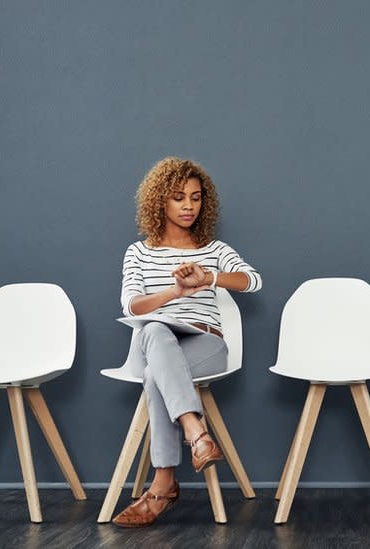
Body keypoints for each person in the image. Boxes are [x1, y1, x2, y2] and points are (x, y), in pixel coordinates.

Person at [112, 157, 262, 527]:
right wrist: (175, 291)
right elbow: (131, 304)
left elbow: (253, 280)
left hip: (205, 344)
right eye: (179, 198)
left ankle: (163, 484)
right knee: (154, 330)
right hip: (153, 340)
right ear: (159, 201)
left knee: (155, 377)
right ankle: (195, 431)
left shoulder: (213, 248)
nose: (188, 206)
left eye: (196, 198)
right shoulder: (139, 252)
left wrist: (209, 277)